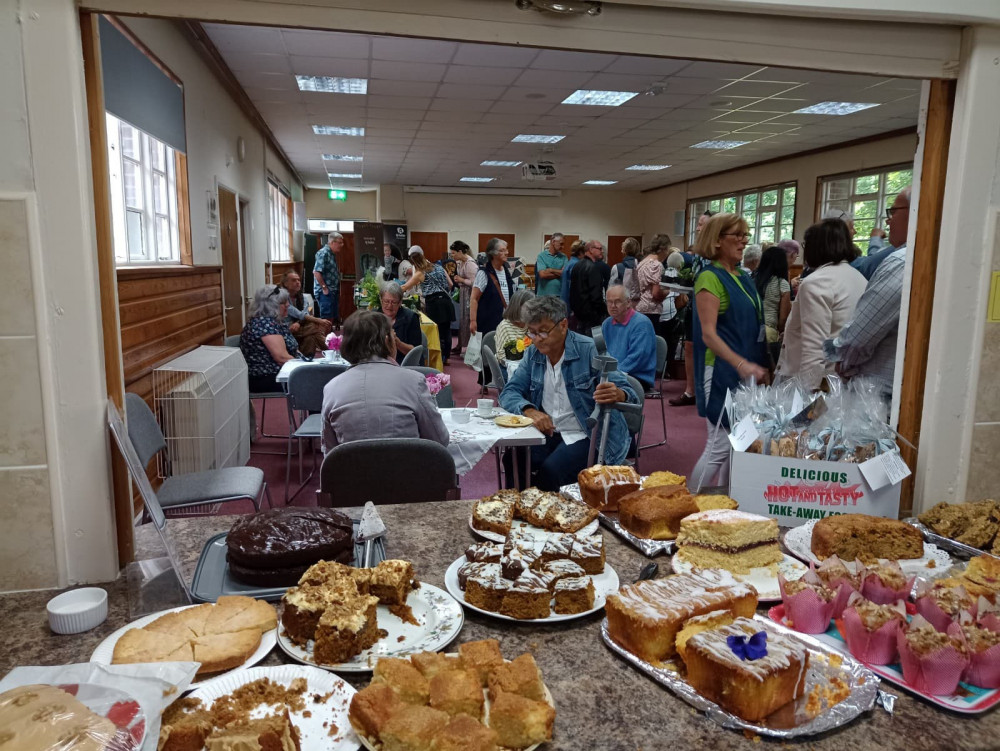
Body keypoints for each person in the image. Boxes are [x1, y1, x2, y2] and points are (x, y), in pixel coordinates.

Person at [499, 295, 639, 491]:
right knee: (513, 459)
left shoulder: (588, 349)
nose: (537, 339)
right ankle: (522, 511)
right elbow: (509, 392)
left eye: (543, 332)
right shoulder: (533, 354)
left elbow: (629, 392)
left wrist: (618, 393)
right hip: (551, 431)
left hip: (587, 434)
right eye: (532, 332)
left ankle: (550, 517)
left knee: (552, 471)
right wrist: (530, 410)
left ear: (563, 325)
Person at [690, 213, 769, 491]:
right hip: (723, 370)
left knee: (739, 446)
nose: (743, 241)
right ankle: (685, 505)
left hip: (746, 371)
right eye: (736, 235)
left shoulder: (743, 276)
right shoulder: (709, 278)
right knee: (720, 446)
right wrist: (741, 364)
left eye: (745, 235)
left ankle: (729, 504)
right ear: (717, 240)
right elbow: (708, 334)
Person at [824, 187, 912, 398]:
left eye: (892, 212)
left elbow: (858, 337)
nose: (888, 221)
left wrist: (842, 362)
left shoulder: (902, 261)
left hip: (877, 394)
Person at [320, 310, 449, 452]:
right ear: (387, 341)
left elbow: (330, 451)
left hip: (353, 472)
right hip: (406, 471)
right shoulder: (414, 381)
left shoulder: (331, 389)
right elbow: (440, 440)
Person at [776, 219, 867, 390]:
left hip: (816, 382)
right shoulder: (857, 277)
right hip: (842, 378)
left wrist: (807, 399)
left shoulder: (817, 282)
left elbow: (815, 347)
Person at [672, 211, 713, 407]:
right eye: (698, 224)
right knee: (689, 346)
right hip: (693, 303)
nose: (697, 228)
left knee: (707, 347)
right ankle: (690, 390)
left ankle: (706, 391)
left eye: (701, 224)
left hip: (709, 307)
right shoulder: (697, 250)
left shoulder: (716, 252)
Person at [239, 284, 299, 393]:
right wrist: (307, 367)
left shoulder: (273, 322)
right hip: (265, 378)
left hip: (279, 373)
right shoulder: (263, 324)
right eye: (284, 303)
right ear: (271, 305)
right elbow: (281, 358)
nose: (288, 305)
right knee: (313, 381)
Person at [402, 245, 455, 365]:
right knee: (446, 331)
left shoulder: (420, 273)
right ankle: (447, 357)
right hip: (446, 301)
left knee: (436, 331)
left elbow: (405, 287)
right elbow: (451, 284)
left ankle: (439, 359)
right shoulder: (439, 267)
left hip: (434, 303)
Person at [602, 284, 657, 391]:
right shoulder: (606, 324)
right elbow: (602, 353)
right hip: (614, 375)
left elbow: (637, 358)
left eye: (617, 301)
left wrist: (614, 375)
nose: (613, 305)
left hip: (637, 377)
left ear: (628, 302)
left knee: (601, 390)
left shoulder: (641, 324)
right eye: (609, 301)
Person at [754, 245, 792, 367]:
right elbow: (783, 318)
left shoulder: (753, 280)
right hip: (769, 332)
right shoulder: (782, 284)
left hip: (751, 329)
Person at [279, 271, 332, 356]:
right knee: (315, 326)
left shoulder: (302, 297)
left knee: (310, 337)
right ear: (285, 283)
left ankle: (307, 358)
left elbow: (304, 313)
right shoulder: (281, 297)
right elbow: (298, 314)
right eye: (293, 280)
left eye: (298, 280)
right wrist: (318, 320)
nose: (297, 283)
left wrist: (298, 323)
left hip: (300, 327)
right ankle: (332, 350)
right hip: (285, 328)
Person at [470, 237, 514, 337]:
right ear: (493, 253)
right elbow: (474, 299)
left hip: (505, 322)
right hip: (488, 323)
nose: (506, 252)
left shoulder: (507, 271)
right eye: (502, 250)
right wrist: (473, 321)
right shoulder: (484, 273)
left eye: (506, 249)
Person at [569, 239, 609, 333]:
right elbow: (596, 296)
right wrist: (604, 311)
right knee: (596, 345)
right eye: (599, 249)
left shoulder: (577, 265)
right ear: (591, 249)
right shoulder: (593, 268)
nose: (602, 251)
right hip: (592, 317)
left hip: (578, 315)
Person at [380, 282, 422, 365]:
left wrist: (397, 343)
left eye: (394, 302)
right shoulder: (374, 317)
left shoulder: (411, 318)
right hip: (378, 364)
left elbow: (416, 352)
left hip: (404, 364)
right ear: (381, 300)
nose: (389, 305)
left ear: (400, 303)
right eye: (386, 301)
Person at [449, 240, 478, 356]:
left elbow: (475, 283)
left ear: (460, 252)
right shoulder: (461, 262)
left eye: (454, 253)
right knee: (462, 320)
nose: (452, 255)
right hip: (464, 293)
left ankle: (469, 348)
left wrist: (461, 280)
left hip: (470, 294)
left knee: (467, 320)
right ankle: (460, 344)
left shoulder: (471, 264)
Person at [495, 289, 534, 366]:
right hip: (508, 367)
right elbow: (501, 357)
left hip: (527, 366)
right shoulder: (504, 327)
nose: (532, 311)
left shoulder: (531, 325)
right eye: (529, 308)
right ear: (517, 307)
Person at [313, 232, 344, 327]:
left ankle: (329, 339)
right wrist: (324, 288)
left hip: (332, 291)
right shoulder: (324, 253)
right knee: (326, 320)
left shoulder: (332, 253)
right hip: (325, 293)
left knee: (331, 319)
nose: (341, 245)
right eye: (340, 242)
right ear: (332, 242)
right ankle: (324, 341)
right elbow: (316, 272)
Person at [608, 237, 642, 307]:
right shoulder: (642, 266)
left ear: (623, 250)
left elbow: (611, 288)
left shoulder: (617, 267)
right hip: (640, 305)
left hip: (622, 305)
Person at [560, 240, 586, 323]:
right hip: (573, 307)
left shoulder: (569, 263)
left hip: (565, 303)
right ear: (581, 252)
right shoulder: (577, 265)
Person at [535, 233, 567, 297]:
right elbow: (543, 275)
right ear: (553, 242)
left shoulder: (564, 257)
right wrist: (559, 273)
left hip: (558, 295)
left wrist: (550, 270)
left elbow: (564, 273)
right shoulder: (541, 256)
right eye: (561, 244)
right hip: (543, 295)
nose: (562, 247)